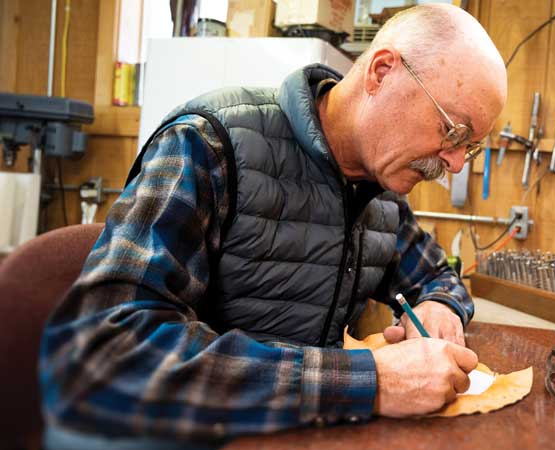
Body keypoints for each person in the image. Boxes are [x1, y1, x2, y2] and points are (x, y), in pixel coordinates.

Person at [39, 3, 507, 448]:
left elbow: (436, 274)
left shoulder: (380, 189)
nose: (454, 164)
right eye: (452, 131)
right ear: (382, 73)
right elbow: (106, 353)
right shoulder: (208, 144)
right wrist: (370, 381)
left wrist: (440, 306)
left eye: (468, 147)